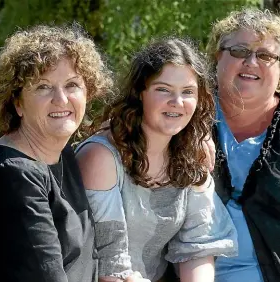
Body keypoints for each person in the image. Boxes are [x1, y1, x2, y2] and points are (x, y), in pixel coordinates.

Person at [0, 23, 148, 282]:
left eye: (72, 85)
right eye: (43, 86)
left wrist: (194, 142)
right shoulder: (14, 175)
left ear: (88, 91)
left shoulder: (60, 150)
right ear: (17, 102)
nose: (61, 99)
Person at [75, 36, 238, 282]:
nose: (177, 102)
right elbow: (111, 265)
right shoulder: (102, 157)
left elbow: (198, 245)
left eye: (188, 92)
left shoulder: (192, 155)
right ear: (140, 92)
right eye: (163, 89)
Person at [205, 8, 280, 282]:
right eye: (239, 51)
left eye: (266, 56)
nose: (251, 61)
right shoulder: (183, 117)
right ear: (217, 57)